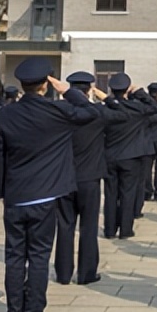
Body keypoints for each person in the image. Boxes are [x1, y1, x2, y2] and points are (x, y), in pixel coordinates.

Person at [0, 57, 99, 312]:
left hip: (15, 196)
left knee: (14, 257)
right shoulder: (58, 111)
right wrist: (68, 90)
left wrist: (0, 190)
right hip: (45, 196)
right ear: (45, 85)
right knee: (38, 257)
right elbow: (91, 113)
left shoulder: (5, 114)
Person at [54, 71, 126, 286]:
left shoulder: (59, 112)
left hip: (63, 177)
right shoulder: (97, 112)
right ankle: (86, 273)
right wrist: (105, 97)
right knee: (88, 226)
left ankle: (63, 273)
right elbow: (124, 113)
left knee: (65, 226)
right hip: (90, 178)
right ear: (89, 90)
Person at [103, 73, 157, 239]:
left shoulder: (105, 109)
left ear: (111, 90)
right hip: (131, 157)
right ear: (127, 89)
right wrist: (140, 93)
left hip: (110, 157)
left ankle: (109, 229)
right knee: (128, 193)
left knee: (111, 194)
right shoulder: (137, 109)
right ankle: (125, 229)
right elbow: (156, 109)